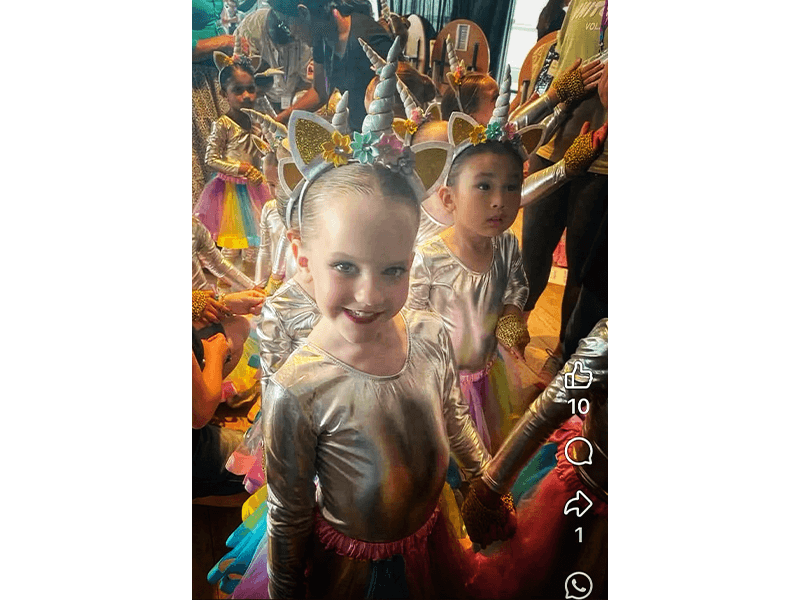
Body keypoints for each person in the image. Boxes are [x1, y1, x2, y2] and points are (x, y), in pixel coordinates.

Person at [208, 38, 508, 598]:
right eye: (345, 266)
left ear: (413, 257)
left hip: (428, 540)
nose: (370, 296)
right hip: (347, 569)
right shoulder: (299, 388)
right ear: (302, 255)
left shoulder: (428, 333)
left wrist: (483, 483)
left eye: (393, 269)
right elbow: (289, 512)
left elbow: (452, 416)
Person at [460, 318, 608, 599]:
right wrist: (490, 488)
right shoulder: (608, 342)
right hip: (582, 487)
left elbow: (545, 413)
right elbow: (544, 414)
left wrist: (489, 489)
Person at [521, 0, 609, 376]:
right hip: (551, 146)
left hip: (603, 159)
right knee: (530, 255)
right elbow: (555, 63)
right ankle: (512, 338)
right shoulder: (579, 4)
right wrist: (551, 99)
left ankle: (565, 356)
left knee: (582, 269)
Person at [193, 37, 271, 277]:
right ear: (223, 94)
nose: (246, 95)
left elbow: (262, 151)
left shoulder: (256, 121)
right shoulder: (223, 124)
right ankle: (228, 283)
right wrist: (240, 168)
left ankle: (251, 284)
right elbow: (211, 159)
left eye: (251, 89)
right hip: (231, 192)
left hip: (255, 188)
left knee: (254, 244)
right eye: (238, 90)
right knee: (231, 246)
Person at [267, 0, 394, 129]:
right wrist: (280, 119)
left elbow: (399, 95)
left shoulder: (367, 38)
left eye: (287, 24)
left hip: (382, 133)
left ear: (304, 13)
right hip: (358, 131)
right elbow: (320, 92)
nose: (292, 33)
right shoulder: (321, 41)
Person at [234, 6, 314, 114]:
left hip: (295, 94)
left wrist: (295, 105)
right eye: (278, 46)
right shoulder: (250, 29)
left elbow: (309, 79)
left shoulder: (301, 31)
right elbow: (240, 78)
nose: (282, 50)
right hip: (261, 99)